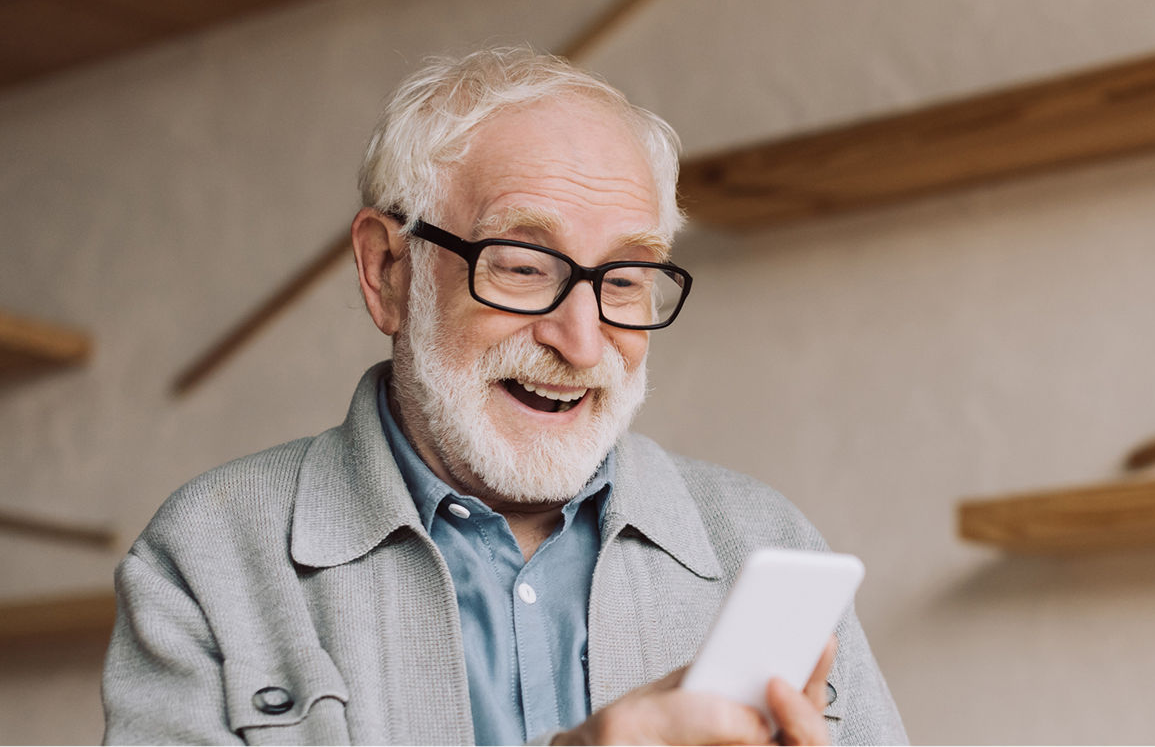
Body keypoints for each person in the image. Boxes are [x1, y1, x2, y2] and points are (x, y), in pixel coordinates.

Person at [101, 47, 906, 745]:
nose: (582, 342)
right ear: (387, 270)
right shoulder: (208, 554)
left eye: (623, 280)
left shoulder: (765, 542)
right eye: (522, 267)